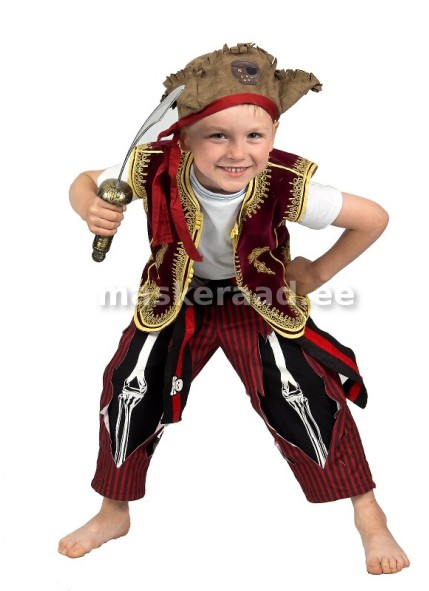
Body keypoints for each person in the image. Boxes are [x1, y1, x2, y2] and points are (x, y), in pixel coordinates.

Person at [58, 43, 410, 575]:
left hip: (258, 300)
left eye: (254, 136)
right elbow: (85, 181)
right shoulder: (153, 165)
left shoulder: (283, 182)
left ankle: (368, 511)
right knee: (131, 383)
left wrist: (316, 274)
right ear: (184, 134)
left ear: (273, 134)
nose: (237, 152)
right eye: (217, 135)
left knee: (304, 388)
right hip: (176, 295)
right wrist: (89, 205)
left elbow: (373, 218)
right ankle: (113, 511)